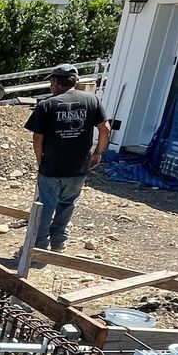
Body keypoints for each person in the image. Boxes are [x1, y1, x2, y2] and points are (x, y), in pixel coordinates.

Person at [23, 65, 111, 253]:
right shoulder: (92, 100)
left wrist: (40, 161)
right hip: (78, 167)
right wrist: (98, 153)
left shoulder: (47, 105)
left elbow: (37, 138)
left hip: (52, 166)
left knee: (45, 205)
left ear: (55, 81)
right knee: (67, 204)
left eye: (51, 82)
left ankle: (39, 246)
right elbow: (105, 129)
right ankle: (58, 243)